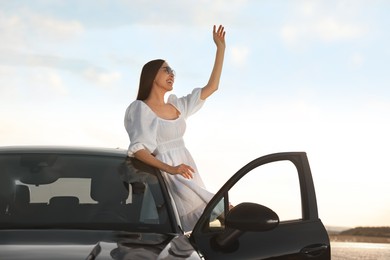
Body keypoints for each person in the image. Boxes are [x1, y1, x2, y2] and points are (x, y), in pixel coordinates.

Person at [124, 25, 226, 232]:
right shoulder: (140, 109)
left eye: (173, 71)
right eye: (166, 70)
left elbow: (212, 87)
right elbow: (138, 150)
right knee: (216, 212)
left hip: (187, 172)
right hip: (168, 176)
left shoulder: (176, 105)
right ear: (152, 75)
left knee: (214, 217)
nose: (172, 74)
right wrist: (172, 169)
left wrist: (220, 49)